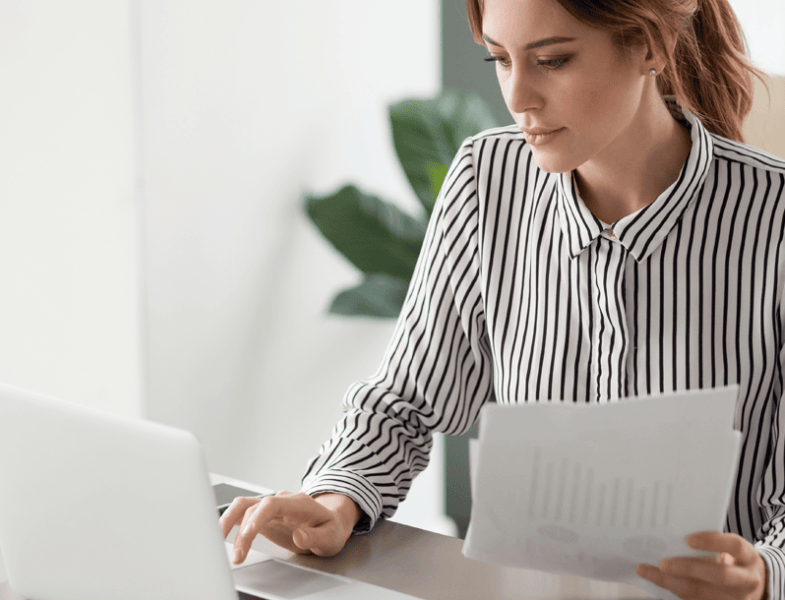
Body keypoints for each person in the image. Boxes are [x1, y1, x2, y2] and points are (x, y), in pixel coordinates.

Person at [221, 0, 784, 598]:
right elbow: (406, 400)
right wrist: (336, 499)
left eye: (554, 60)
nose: (519, 98)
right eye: (499, 59)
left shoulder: (773, 219)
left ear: (650, 45)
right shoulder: (485, 181)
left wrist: (764, 576)